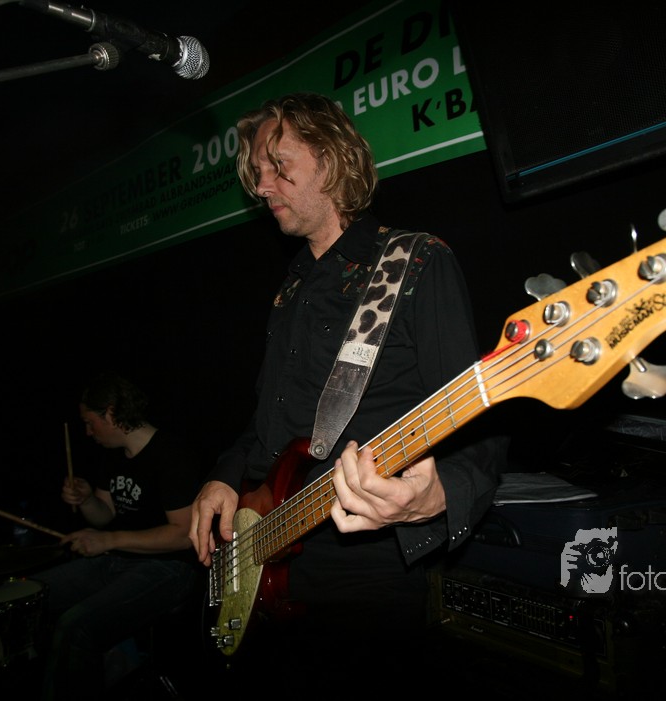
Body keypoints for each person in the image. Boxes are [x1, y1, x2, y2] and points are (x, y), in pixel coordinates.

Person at [188, 93, 509, 693]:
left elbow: (479, 413)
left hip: (365, 569)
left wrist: (438, 495)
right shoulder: (291, 287)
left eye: (277, 165)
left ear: (331, 160)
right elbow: (267, 425)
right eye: (257, 172)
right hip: (265, 550)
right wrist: (225, 477)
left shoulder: (415, 261)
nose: (262, 186)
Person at [31, 371, 204, 701]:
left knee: (75, 627)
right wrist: (86, 500)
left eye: (90, 422)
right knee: (35, 597)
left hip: (171, 568)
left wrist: (109, 541)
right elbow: (105, 514)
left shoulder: (171, 454)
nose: (88, 432)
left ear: (110, 414)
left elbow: (183, 535)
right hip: (120, 560)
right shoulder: (112, 454)